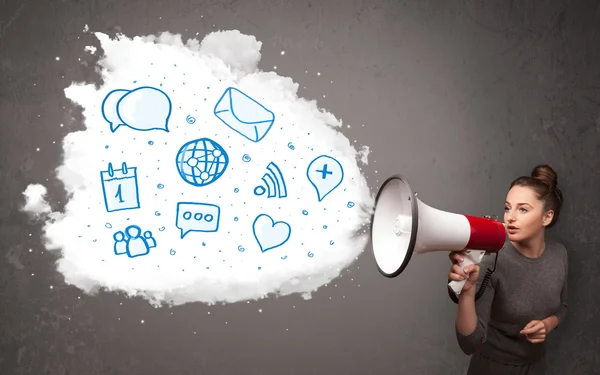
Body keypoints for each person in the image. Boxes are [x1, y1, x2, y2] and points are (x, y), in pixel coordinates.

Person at [447, 164, 568, 375]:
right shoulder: (492, 259)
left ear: (547, 217)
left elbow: (563, 307)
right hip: (493, 368)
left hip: (537, 366)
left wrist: (549, 324)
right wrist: (466, 293)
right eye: (507, 207)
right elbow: (470, 344)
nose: (510, 217)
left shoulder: (560, 254)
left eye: (522, 209)